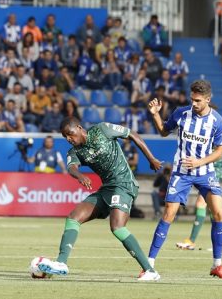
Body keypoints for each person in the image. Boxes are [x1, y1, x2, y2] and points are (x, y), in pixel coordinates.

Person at [36, 117, 163, 281]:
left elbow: (132, 134)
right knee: (74, 217)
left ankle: (150, 271)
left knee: (117, 227)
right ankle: (61, 263)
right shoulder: (75, 152)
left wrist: (151, 158)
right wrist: (80, 176)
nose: (68, 139)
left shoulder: (102, 129)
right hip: (107, 189)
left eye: (70, 134)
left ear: (80, 128)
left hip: (124, 184)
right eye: (65, 137)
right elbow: (71, 167)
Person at [146, 80, 222, 279]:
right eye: (192, 99)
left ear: (208, 99)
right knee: (169, 213)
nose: (194, 103)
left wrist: (200, 162)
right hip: (182, 171)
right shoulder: (181, 113)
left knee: (218, 213)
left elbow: (219, 152)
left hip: (205, 172)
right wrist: (156, 114)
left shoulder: (218, 121)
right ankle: (148, 264)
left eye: (198, 100)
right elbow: (163, 131)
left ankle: (217, 265)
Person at [176, 109, 222, 250]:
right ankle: (219, 242)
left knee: (201, 204)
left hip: (214, 170)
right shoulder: (199, 128)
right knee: (213, 207)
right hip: (200, 169)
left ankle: (192, 241)